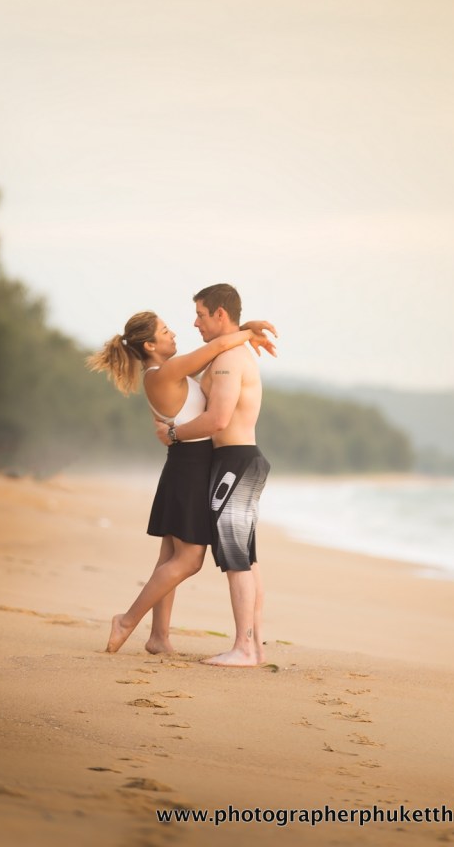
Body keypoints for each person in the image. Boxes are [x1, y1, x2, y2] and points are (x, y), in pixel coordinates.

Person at [86, 309, 276, 655]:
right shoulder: (164, 372)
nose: (174, 334)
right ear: (150, 345)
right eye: (165, 331)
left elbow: (217, 352)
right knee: (188, 561)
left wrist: (246, 331)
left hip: (186, 465)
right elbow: (218, 345)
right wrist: (248, 330)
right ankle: (127, 620)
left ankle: (159, 637)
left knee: (169, 558)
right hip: (189, 468)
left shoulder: (163, 374)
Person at [155, 283, 271, 668]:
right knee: (246, 557)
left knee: (236, 557)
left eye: (202, 314)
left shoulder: (228, 360)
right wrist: (248, 329)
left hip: (235, 462)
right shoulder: (229, 354)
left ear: (220, 314)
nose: (195, 322)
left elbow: (217, 419)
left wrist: (172, 434)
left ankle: (244, 647)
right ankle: (253, 647)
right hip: (241, 461)